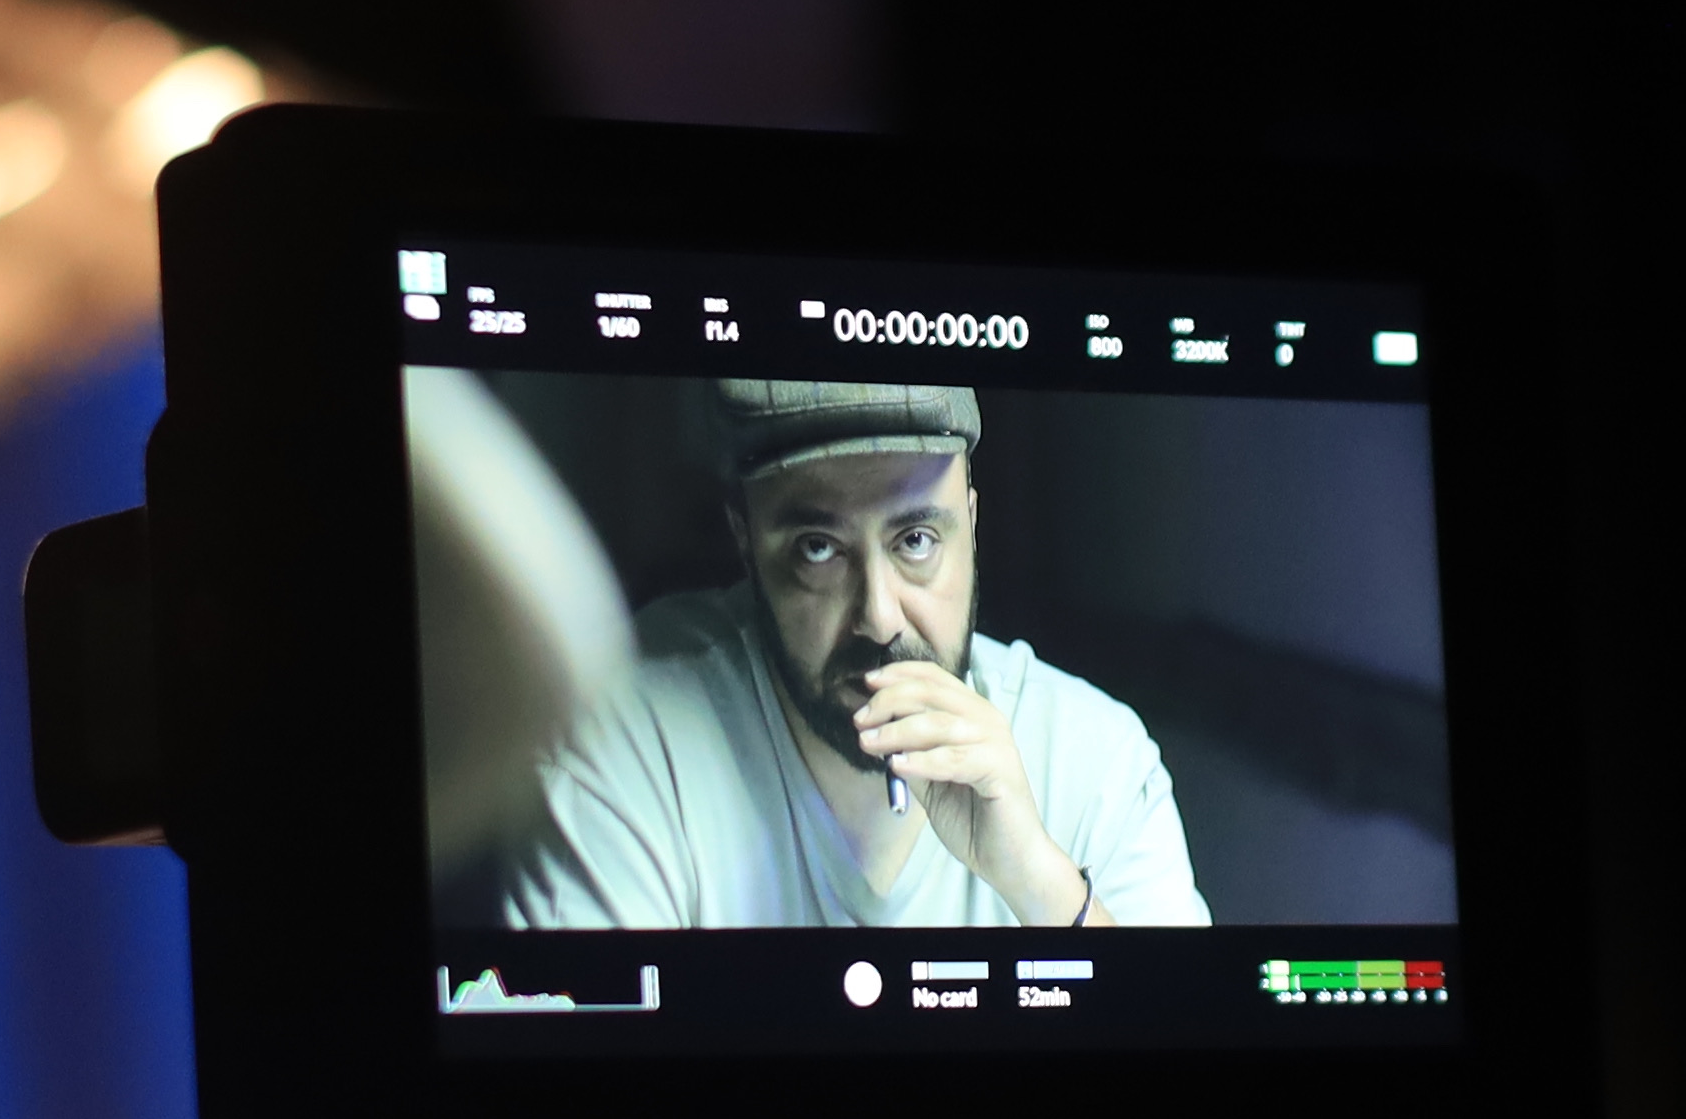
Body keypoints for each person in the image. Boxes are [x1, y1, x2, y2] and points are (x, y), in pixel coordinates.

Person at [500, 378, 1206, 930]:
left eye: (916, 540)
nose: (879, 617)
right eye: (819, 548)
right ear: (745, 542)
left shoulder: (1098, 762)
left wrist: (1039, 882)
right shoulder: (621, 738)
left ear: (971, 525)